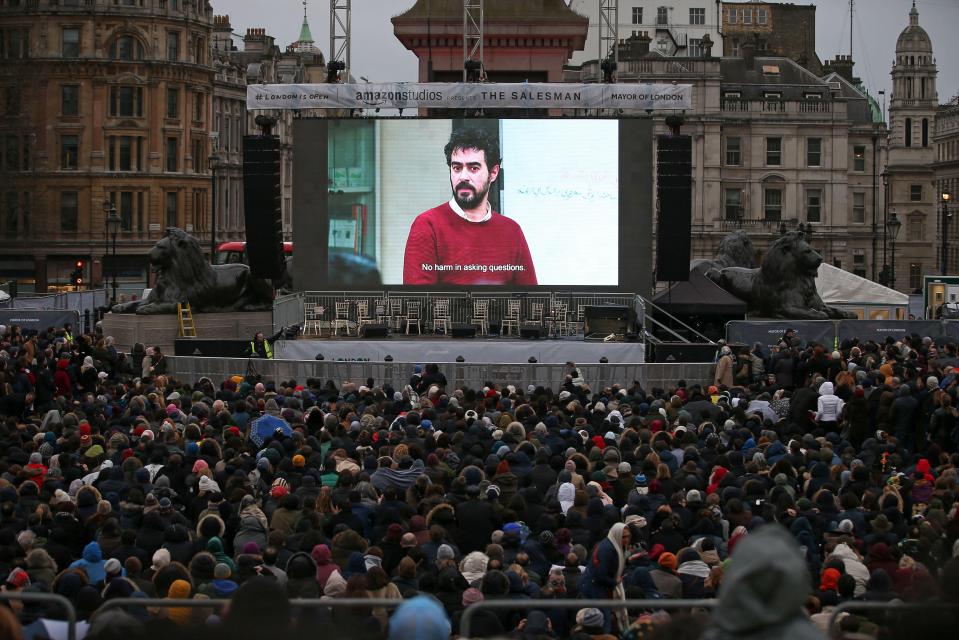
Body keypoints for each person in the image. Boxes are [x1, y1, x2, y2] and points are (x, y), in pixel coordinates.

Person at [402, 127, 537, 285]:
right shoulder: (427, 225)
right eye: (457, 168)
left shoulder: (511, 231)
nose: (463, 177)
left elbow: (529, 299)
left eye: (474, 168)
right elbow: (418, 302)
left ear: (493, 173)